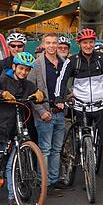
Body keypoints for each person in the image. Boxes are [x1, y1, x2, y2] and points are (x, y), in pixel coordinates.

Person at [0, 52, 45, 205]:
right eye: (21, 68)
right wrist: (1, 93)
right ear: (14, 66)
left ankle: (12, 198)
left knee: (11, 165)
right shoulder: (1, 80)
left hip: (15, 128)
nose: (23, 72)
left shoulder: (27, 84)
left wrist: (39, 95)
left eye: (27, 70)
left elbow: (39, 93)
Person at [54, 28, 103, 193]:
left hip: (101, 104)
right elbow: (62, 80)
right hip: (81, 105)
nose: (88, 45)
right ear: (79, 44)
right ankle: (85, 167)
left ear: (94, 42)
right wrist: (59, 98)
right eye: (85, 42)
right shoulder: (72, 61)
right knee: (81, 139)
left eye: (91, 42)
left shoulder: (102, 58)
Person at [28, 33, 68, 195]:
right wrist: (41, 111)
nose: (52, 46)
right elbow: (30, 91)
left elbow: (65, 86)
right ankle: (43, 182)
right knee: (45, 149)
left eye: (54, 43)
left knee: (57, 149)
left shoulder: (64, 63)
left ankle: (54, 180)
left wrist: (69, 97)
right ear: (43, 44)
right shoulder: (37, 64)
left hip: (60, 113)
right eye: (48, 43)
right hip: (45, 113)